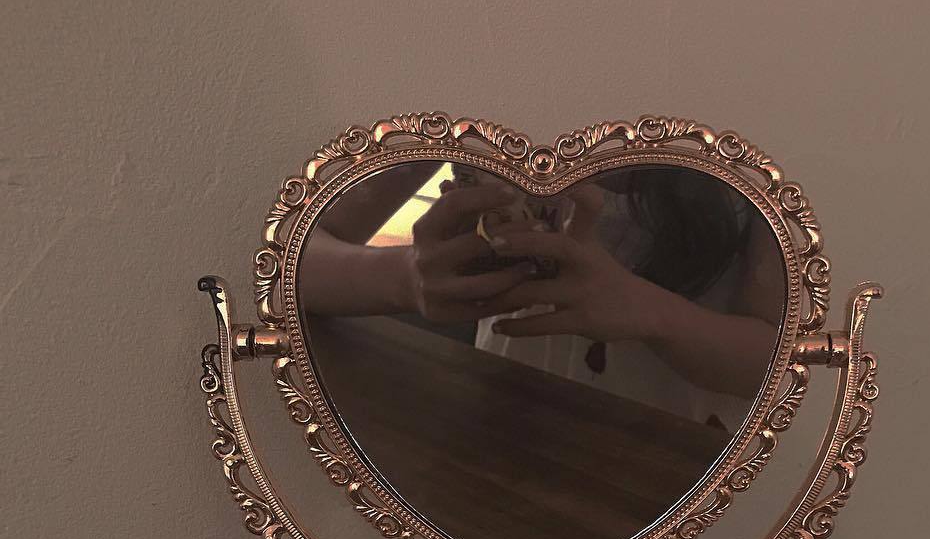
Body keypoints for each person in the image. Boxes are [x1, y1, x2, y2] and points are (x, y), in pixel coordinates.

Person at [300, 163, 784, 427]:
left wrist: (649, 312)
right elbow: (289, 264)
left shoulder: (757, 112)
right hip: (496, 435)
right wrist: (407, 276)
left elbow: (779, 361)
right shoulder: (467, 80)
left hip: (678, 480)